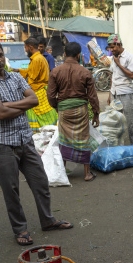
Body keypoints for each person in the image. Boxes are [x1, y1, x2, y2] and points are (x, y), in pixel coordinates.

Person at [0, 40, 73, 246]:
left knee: (40, 183)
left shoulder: (16, 76)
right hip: (2, 145)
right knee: (11, 191)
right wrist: (8, 108)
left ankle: (48, 220)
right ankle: (20, 230)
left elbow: (34, 100)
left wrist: (5, 106)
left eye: (0, 55)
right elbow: (0, 113)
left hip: (25, 141)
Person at [47, 42, 100, 181]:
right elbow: (92, 96)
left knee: (64, 140)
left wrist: (57, 107)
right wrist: (96, 114)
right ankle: (87, 173)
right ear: (78, 55)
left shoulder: (56, 71)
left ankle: (63, 171)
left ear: (64, 54)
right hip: (81, 110)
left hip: (64, 110)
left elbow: (51, 95)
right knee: (83, 139)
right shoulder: (85, 71)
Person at [13, 37, 57, 133]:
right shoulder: (39, 58)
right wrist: (18, 70)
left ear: (30, 47)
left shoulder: (36, 59)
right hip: (42, 90)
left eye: (25, 48)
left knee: (41, 115)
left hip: (38, 91)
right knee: (45, 115)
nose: (25, 50)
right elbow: (30, 72)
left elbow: (32, 79)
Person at [107, 33, 133, 145]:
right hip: (115, 93)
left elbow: (131, 75)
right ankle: (118, 147)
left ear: (119, 44)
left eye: (112, 47)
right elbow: (113, 76)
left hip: (126, 93)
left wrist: (119, 64)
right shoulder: (113, 58)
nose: (111, 50)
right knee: (115, 123)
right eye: (110, 48)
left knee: (131, 123)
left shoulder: (130, 57)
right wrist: (110, 94)